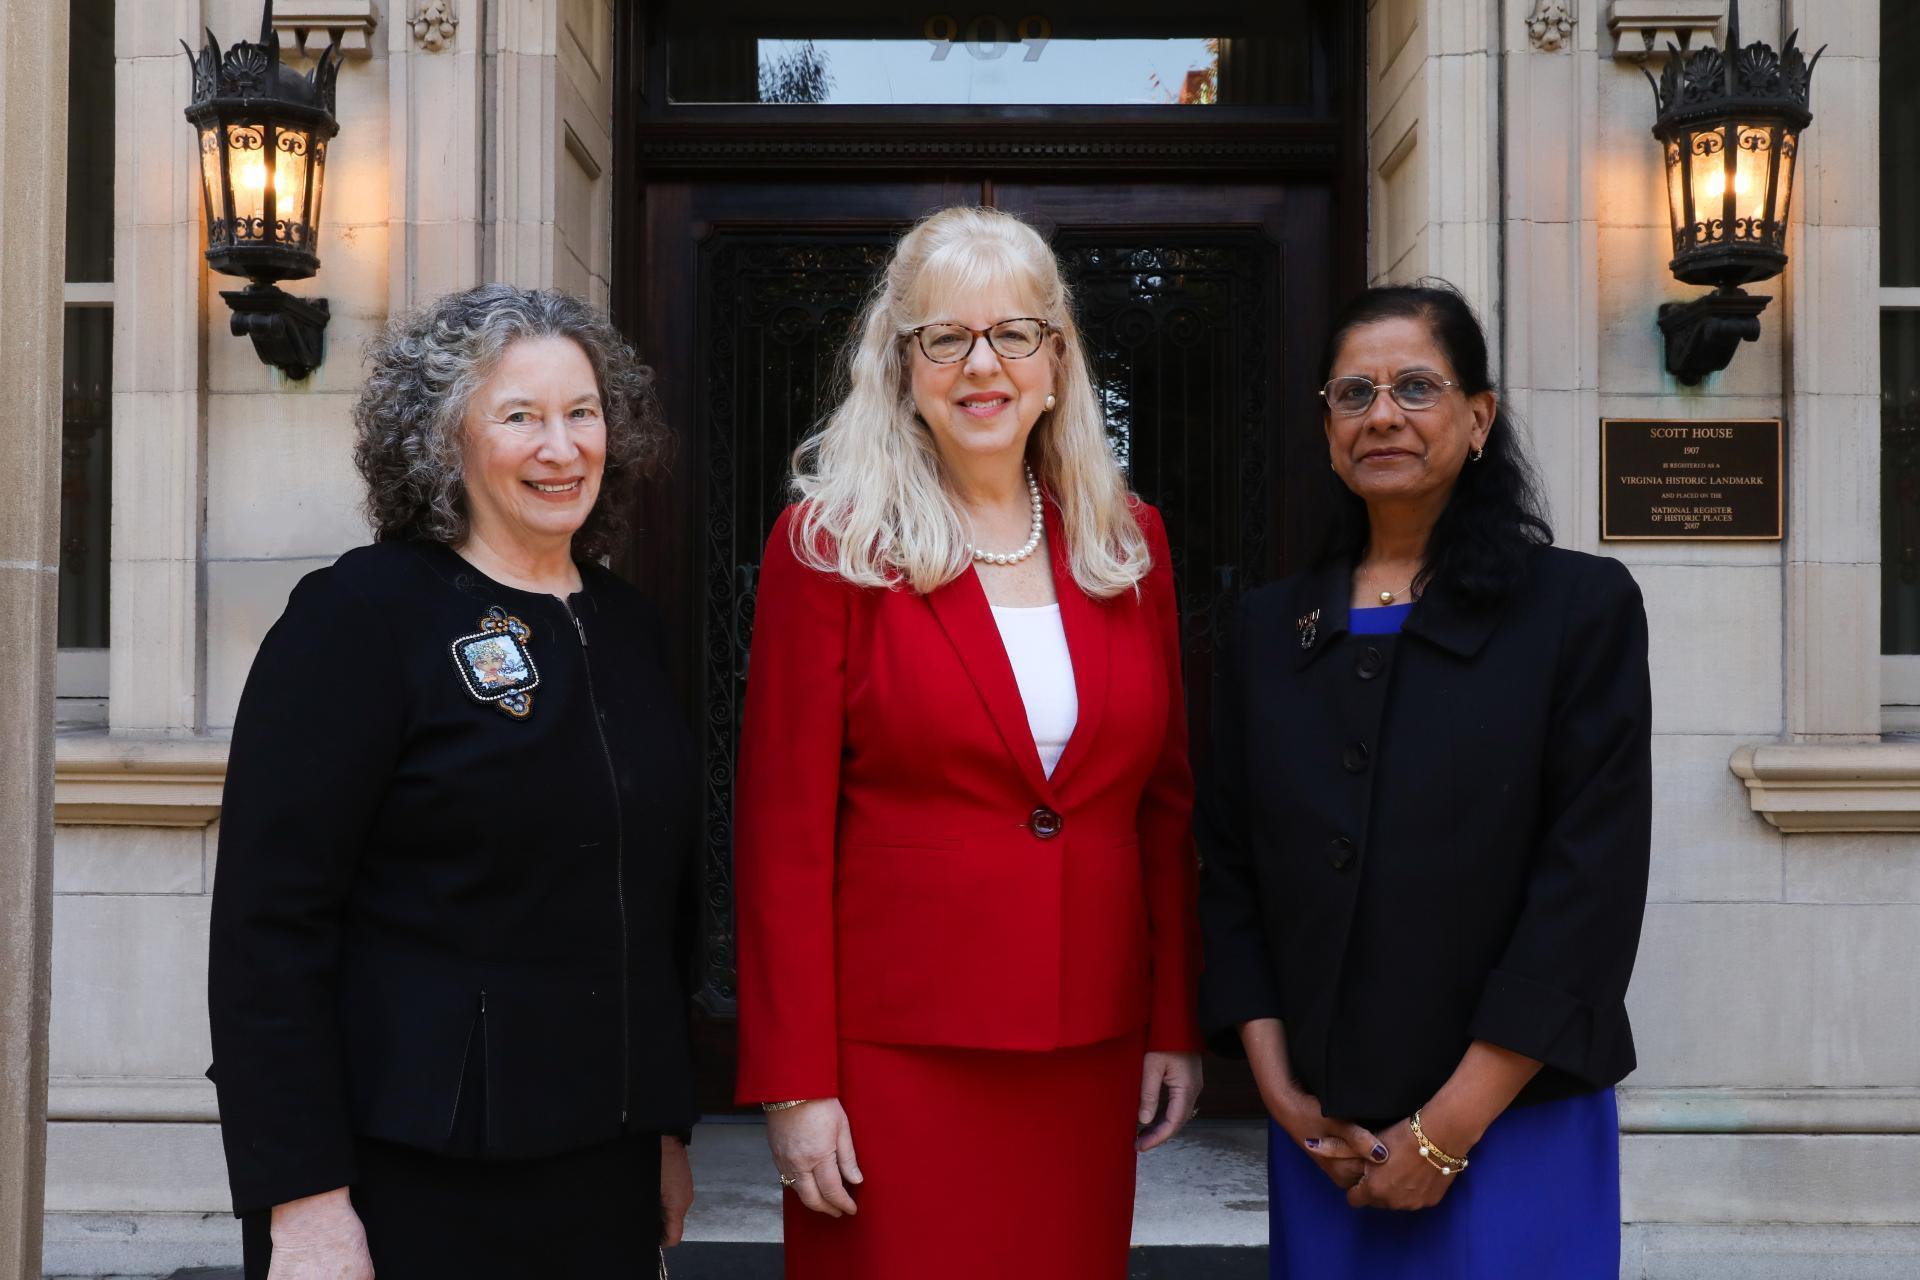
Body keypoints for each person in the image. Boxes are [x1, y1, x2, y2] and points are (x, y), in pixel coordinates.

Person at [733, 206, 1204, 1279]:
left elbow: (1165, 804)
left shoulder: (1130, 543)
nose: (980, 364)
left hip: (1087, 1049)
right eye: (944, 337)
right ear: (901, 367)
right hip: (895, 1056)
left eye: (1013, 335)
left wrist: (1173, 1018)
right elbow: (783, 835)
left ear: (1056, 362)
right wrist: (796, 1083)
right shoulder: (832, 545)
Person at [208, 284, 698, 1279]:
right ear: (446, 438)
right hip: (409, 1173)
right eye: (520, 416)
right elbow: (269, 928)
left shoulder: (632, 629)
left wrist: (665, 1126)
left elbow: (657, 908)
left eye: (583, 412)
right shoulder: (363, 615)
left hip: (601, 1169)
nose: (561, 448)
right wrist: (299, 1194)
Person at [1198, 281, 1651, 1279]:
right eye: (1353, 393)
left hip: (1513, 1120)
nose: (1383, 414)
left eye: (1416, 386)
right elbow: (1229, 868)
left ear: (1478, 417)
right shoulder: (1268, 631)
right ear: (1327, 429)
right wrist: (1280, 1088)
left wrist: (1448, 1128)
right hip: (1326, 1130)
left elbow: (1591, 885)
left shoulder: (1577, 609)